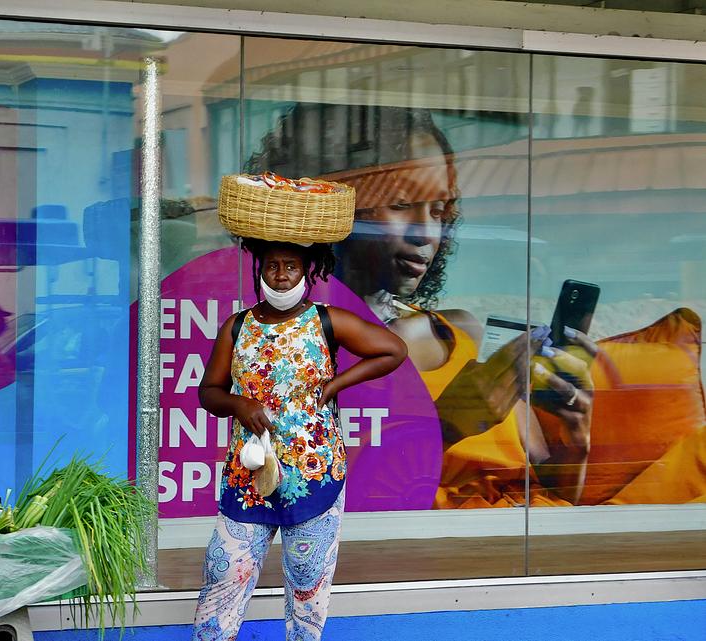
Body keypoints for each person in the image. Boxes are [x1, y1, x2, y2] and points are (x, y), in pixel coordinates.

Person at [324, 109, 596, 507]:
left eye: (438, 211)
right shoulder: (307, 347)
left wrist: (577, 443)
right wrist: (445, 424)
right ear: (342, 208)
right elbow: (335, 501)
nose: (427, 232)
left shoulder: (463, 332)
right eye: (401, 204)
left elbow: (553, 495)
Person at [192, 238, 408, 640]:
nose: (280, 275)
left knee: (308, 583)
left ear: (307, 271)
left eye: (290, 266)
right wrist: (238, 403)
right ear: (259, 269)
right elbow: (209, 392)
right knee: (224, 569)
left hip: (314, 476)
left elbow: (392, 350)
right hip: (249, 476)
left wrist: (336, 384)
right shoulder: (237, 326)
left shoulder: (328, 320)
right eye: (272, 266)